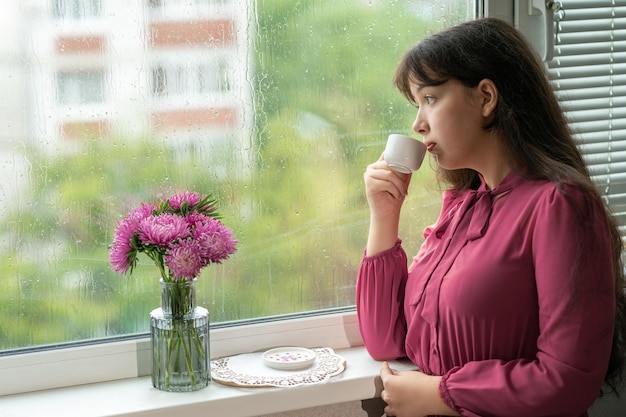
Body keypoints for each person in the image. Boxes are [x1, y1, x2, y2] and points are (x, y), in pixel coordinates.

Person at [357, 17, 626, 417]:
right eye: (417, 105)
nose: (418, 123)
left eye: (429, 98)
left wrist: (440, 395)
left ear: (485, 97)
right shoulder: (463, 207)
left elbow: (567, 380)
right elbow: (387, 342)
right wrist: (384, 216)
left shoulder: (561, 204)